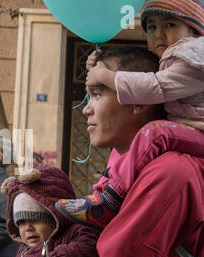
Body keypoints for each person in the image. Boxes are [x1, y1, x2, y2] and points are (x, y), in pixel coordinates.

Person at [27, 46, 203, 257]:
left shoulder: (168, 173)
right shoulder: (125, 163)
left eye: (97, 94)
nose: (86, 109)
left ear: (139, 101)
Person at [56, 0, 204, 229]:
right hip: (189, 129)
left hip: (199, 131)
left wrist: (105, 76)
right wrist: (98, 67)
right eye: (152, 27)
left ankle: (111, 199)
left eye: (170, 24)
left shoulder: (194, 59)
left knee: (154, 133)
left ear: (195, 30)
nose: (160, 34)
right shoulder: (172, 59)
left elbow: (154, 87)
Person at [0, 166, 99, 257]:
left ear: (56, 217)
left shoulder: (73, 233)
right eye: (22, 222)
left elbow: (88, 246)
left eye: (36, 220)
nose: (28, 228)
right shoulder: (23, 252)